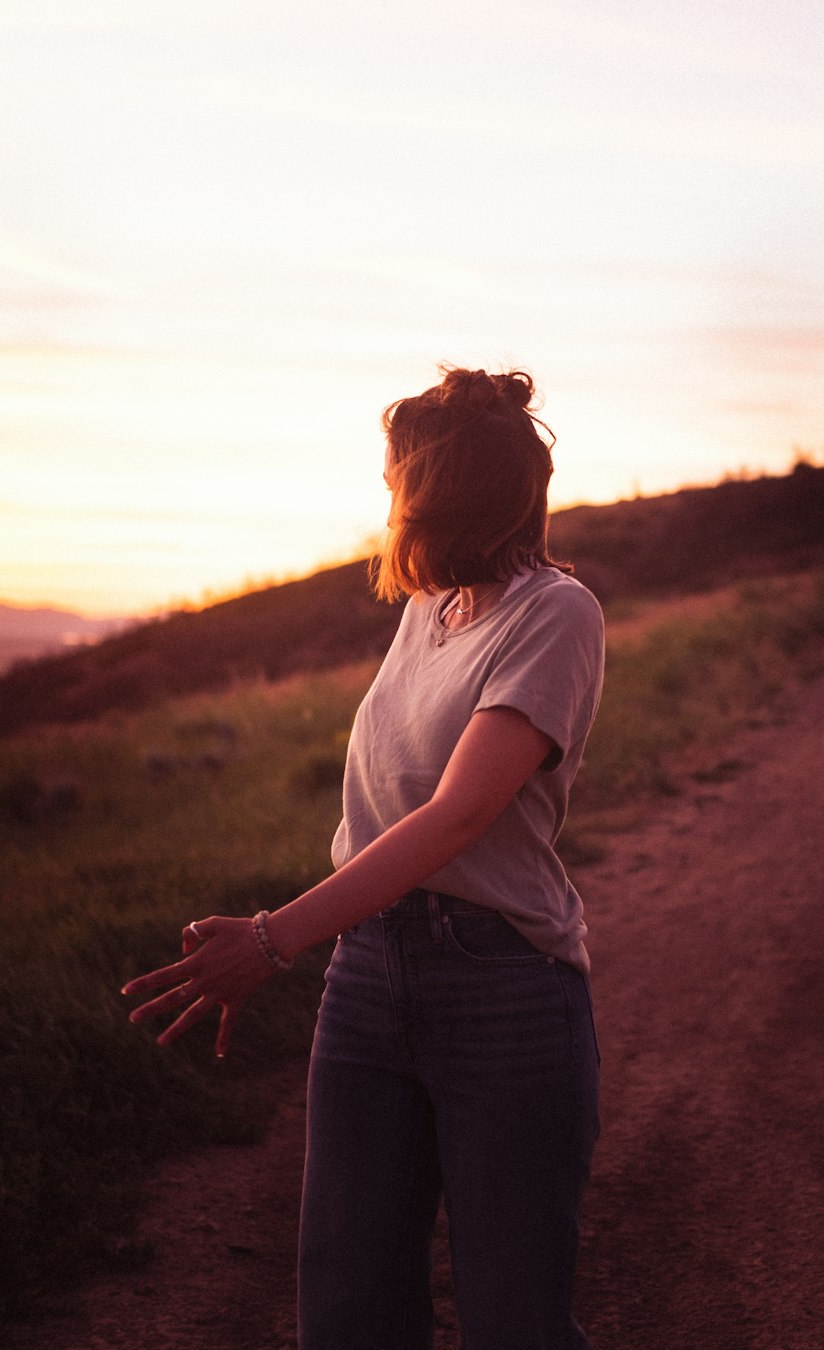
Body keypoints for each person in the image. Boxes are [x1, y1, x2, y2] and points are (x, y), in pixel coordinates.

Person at [123, 366, 606, 1349]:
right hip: (368, 973)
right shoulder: (425, 613)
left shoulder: (556, 614)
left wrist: (270, 939)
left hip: (501, 983)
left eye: (398, 484)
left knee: (515, 1318)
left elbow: (458, 816)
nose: (388, 503)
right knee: (348, 1310)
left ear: (436, 494)